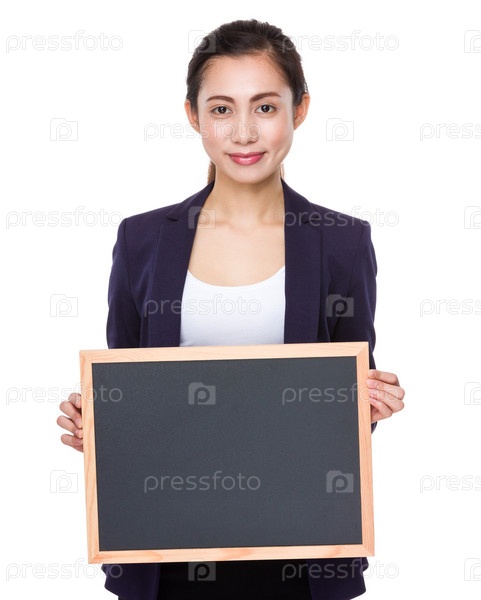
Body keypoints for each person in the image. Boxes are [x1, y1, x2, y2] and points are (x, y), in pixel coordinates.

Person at [57, 18, 405, 600]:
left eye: (265, 107)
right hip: (163, 550)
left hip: (301, 551)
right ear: (193, 116)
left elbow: (342, 402)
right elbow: (127, 384)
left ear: (300, 110)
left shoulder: (342, 241)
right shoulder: (143, 240)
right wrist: (96, 420)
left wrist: (371, 403)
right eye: (221, 109)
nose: (244, 132)